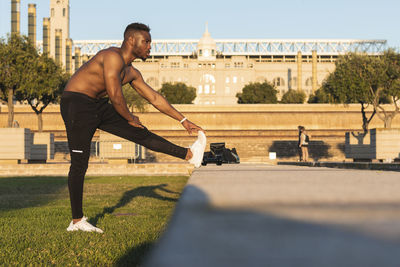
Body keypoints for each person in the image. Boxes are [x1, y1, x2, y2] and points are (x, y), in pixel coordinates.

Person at [60, 23, 206, 233]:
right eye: (146, 42)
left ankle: (190, 155)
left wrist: (183, 120)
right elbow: (114, 94)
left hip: (98, 106)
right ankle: (77, 221)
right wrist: (129, 117)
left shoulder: (132, 72)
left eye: (150, 43)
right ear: (131, 40)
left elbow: (155, 98)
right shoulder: (112, 57)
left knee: (141, 134)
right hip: (77, 103)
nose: (149, 47)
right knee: (79, 163)